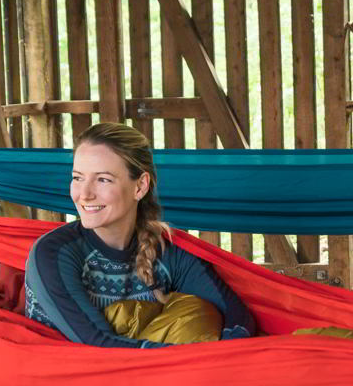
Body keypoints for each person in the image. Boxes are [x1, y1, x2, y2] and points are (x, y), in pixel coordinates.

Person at [24, 122, 256, 348]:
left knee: (200, 310)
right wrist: (193, 359)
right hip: (69, 376)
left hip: (156, 375)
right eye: (77, 178)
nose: (84, 194)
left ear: (140, 186)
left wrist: (226, 354)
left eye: (103, 179)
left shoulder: (167, 251)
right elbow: (96, 344)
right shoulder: (53, 253)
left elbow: (237, 316)